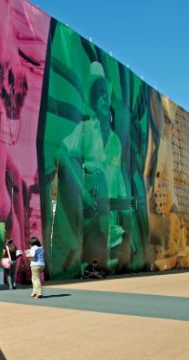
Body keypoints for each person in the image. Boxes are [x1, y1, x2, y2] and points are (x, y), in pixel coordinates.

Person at [50, 61, 131, 277]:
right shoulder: (85, 130)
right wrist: (84, 196)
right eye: (99, 94)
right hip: (88, 221)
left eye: (106, 93)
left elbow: (119, 188)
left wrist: (127, 209)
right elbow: (61, 153)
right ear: (94, 102)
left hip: (109, 222)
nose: (104, 98)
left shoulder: (116, 144)